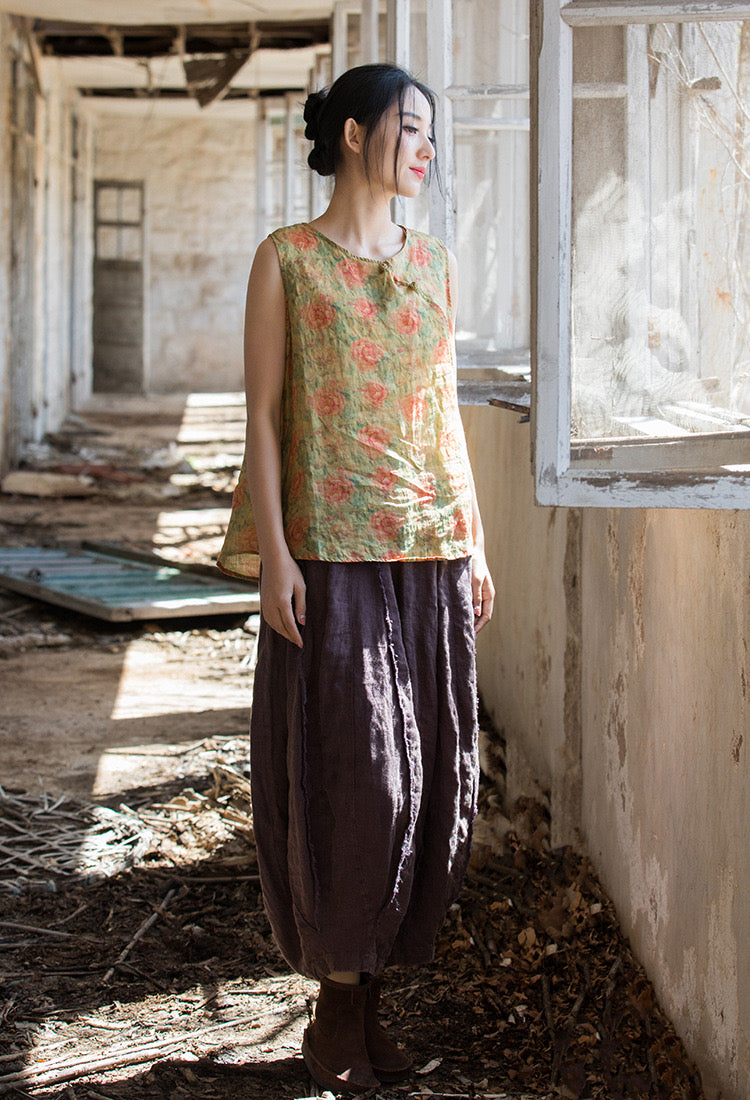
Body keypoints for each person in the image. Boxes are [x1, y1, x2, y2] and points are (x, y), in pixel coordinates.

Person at [218, 62, 495, 1095]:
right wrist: (275, 554)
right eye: (410, 127)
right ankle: (335, 1005)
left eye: (431, 132)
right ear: (351, 133)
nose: (427, 147)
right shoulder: (286, 261)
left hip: (431, 550)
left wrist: (478, 545)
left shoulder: (437, 265)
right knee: (356, 780)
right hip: (330, 555)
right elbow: (262, 416)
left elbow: (444, 411)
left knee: (428, 784)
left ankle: (367, 1004)